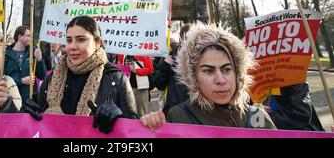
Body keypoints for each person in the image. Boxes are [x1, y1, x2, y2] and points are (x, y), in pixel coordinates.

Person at [141, 22, 276, 130]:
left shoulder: (257, 116)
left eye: (227, 69)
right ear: (194, 77)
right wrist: (154, 131)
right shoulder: (178, 116)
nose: (220, 80)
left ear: (238, 73)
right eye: (209, 71)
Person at [27, 16, 137, 134]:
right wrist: (26, 114)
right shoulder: (52, 78)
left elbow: (133, 133)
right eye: (69, 40)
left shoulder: (117, 80)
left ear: (97, 43)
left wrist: (119, 119)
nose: (73, 46)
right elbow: (36, 128)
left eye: (80, 40)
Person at [151, 24, 191, 115]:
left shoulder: (204, 57)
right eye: (187, 36)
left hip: (199, 110)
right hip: (175, 109)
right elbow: (158, 84)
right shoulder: (171, 57)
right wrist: (165, 65)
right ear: (181, 39)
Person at [4, 25, 47, 104]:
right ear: (20, 36)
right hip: (10, 101)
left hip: (30, 101)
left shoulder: (33, 53)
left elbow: (43, 76)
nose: (31, 38)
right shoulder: (6, 55)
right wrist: (22, 81)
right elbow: (3, 80)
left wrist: (40, 59)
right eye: (28, 36)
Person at [118, 53, 154, 117]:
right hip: (126, 88)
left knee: (142, 113)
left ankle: (142, 127)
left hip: (141, 88)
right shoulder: (122, 53)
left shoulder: (143, 52)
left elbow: (150, 69)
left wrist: (135, 71)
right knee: (128, 112)